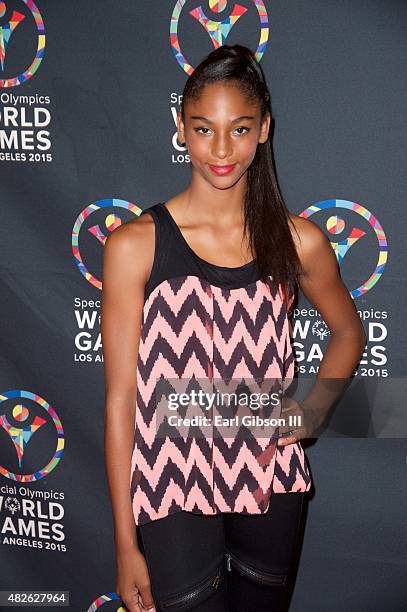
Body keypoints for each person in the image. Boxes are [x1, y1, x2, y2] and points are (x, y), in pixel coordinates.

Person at [101, 44, 366, 612]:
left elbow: (348, 331)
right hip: (170, 478)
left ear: (265, 127)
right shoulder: (134, 246)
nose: (221, 149)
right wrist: (125, 542)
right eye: (203, 129)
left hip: (269, 475)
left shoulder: (300, 242)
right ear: (181, 128)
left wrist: (314, 409)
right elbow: (122, 399)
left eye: (240, 128)